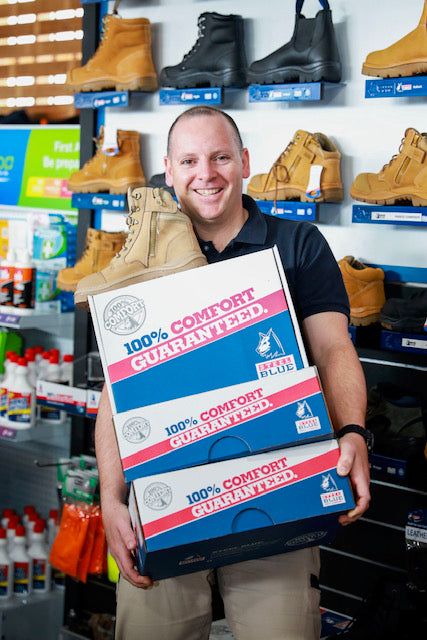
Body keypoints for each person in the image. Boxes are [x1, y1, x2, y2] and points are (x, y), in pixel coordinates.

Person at [95, 106, 370, 640]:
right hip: (162, 495)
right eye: (190, 160)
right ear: (169, 171)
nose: (207, 173)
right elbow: (117, 390)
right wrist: (111, 496)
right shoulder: (141, 258)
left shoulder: (299, 245)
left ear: (244, 161)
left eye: (221, 157)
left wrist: (353, 431)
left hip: (281, 485)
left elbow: (335, 349)